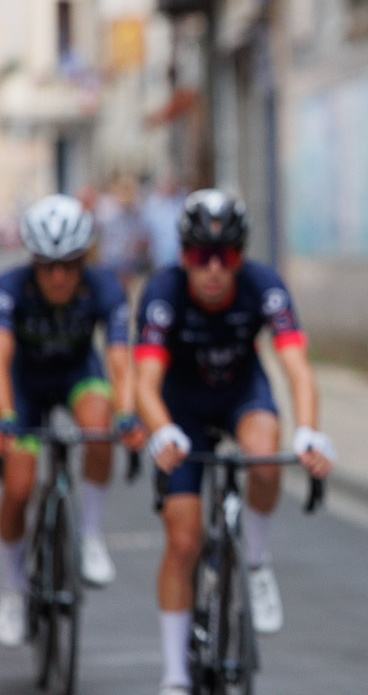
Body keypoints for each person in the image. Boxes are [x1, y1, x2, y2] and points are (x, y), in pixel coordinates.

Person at [133, 189, 336, 695]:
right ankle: (175, 675)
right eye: (201, 257)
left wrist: (307, 429)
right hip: (181, 408)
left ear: (241, 256)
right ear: (184, 257)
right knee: (183, 541)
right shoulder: (162, 292)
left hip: (242, 395)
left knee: (266, 455)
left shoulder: (264, 285)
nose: (214, 269)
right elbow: (143, 382)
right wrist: (159, 429)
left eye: (226, 257)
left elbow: (297, 369)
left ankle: (257, 559)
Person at [0, 194, 146, 646]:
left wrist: (126, 416)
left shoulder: (104, 287)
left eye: (70, 264)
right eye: (47, 265)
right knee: (19, 486)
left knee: (100, 428)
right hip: (25, 385)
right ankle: (10, 592)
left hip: (78, 375)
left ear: (85, 260)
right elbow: (0, 360)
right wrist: (5, 419)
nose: (59, 276)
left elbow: (121, 361)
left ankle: (90, 535)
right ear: (33, 261)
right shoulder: (11, 286)